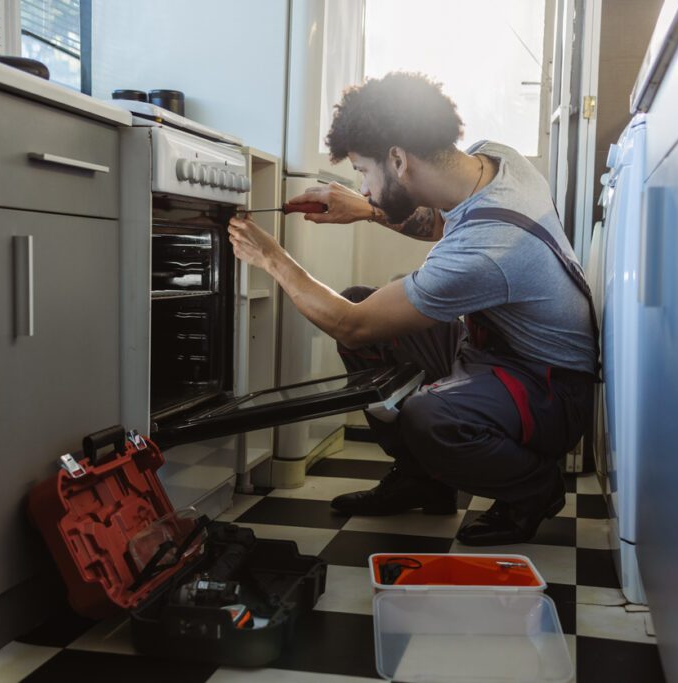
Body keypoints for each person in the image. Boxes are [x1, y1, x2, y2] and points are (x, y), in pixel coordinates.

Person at [227, 72, 597, 545]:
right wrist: (369, 210)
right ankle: (423, 478)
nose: (361, 188)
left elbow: (350, 326)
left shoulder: (487, 250)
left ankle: (534, 488)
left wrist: (270, 257)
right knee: (365, 299)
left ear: (398, 159)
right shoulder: (498, 161)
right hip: (498, 355)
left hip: (549, 390)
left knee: (426, 413)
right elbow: (442, 225)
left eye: (362, 171)